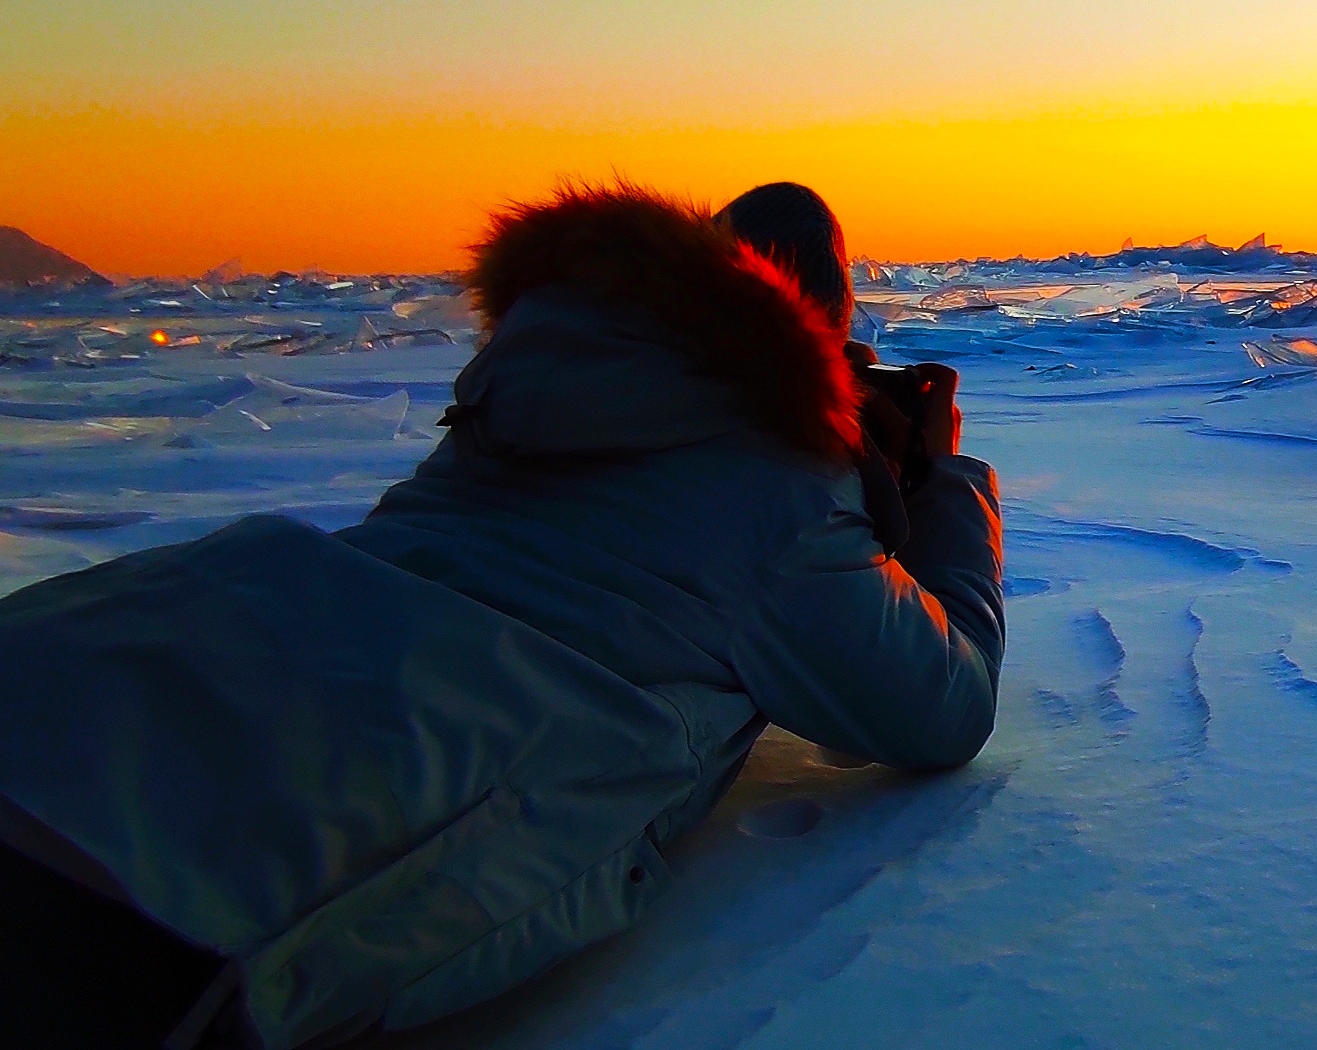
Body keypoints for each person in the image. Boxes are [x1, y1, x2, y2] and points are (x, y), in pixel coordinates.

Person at [0, 182, 1005, 1049]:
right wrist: (940, 481)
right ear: (821, 333)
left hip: (172, 632)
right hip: (319, 808)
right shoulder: (781, 498)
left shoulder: (534, 392)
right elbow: (942, 707)